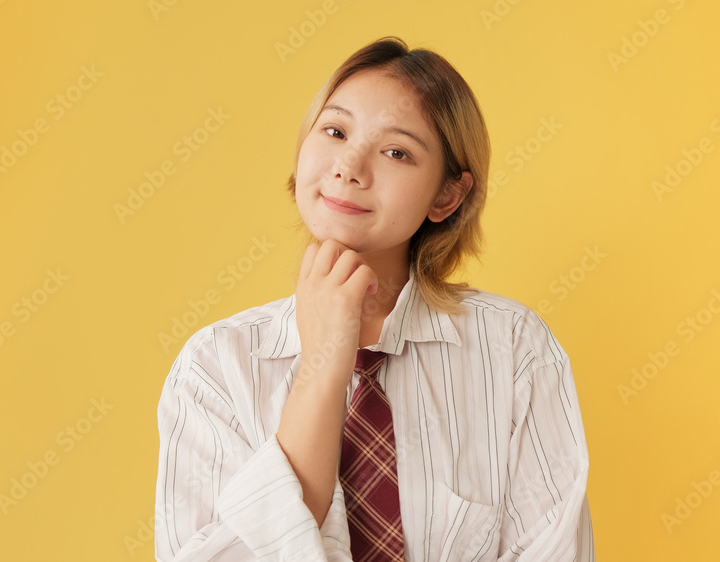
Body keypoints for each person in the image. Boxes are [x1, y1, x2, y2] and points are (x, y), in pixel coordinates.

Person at [155, 36, 595, 561]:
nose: (350, 166)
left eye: (396, 152)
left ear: (447, 195)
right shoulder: (215, 367)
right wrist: (322, 366)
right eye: (335, 131)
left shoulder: (515, 349)